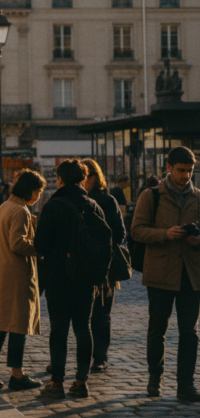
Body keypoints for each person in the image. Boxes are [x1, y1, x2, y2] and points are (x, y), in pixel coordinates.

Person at [130, 146, 200, 402]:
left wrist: (196, 239)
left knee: (189, 332)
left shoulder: (198, 197)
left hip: (191, 275)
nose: (186, 176)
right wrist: (164, 234)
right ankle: (154, 379)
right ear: (168, 168)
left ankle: (186, 385)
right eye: (181, 170)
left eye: (190, 171)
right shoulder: (151, 196)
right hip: (160, 273)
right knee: (157, 328)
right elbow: (136, 230)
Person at [36, 159, 110, 399]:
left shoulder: (54, 205)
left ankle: (56, 382)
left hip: (58, 276)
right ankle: (81, 381)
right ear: (84, 179)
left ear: (59, 179)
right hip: (87, 279)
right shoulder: (94, 206)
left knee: (58, 329)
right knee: (83, 327)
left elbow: (41, 245)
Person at [0, 169, 46, 392]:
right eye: (38, 191)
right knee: (18, 325)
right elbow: (18, 243)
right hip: (16, 275)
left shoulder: (3, 207)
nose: (38, 196)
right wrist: (40, 249)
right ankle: (17, 374)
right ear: (31, 190)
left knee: (0, 325)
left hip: (1, 272)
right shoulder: (20, 211)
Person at [82, 158, 126, 374]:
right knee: (90, 315)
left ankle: (100, 356)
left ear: (94, 177)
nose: (83, 180)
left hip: (102, 267)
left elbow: (120, 232)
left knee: (99, 314)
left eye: (86, 175)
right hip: (90, 265)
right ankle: (92, 357)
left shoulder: (107, 200)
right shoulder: (78, 199)